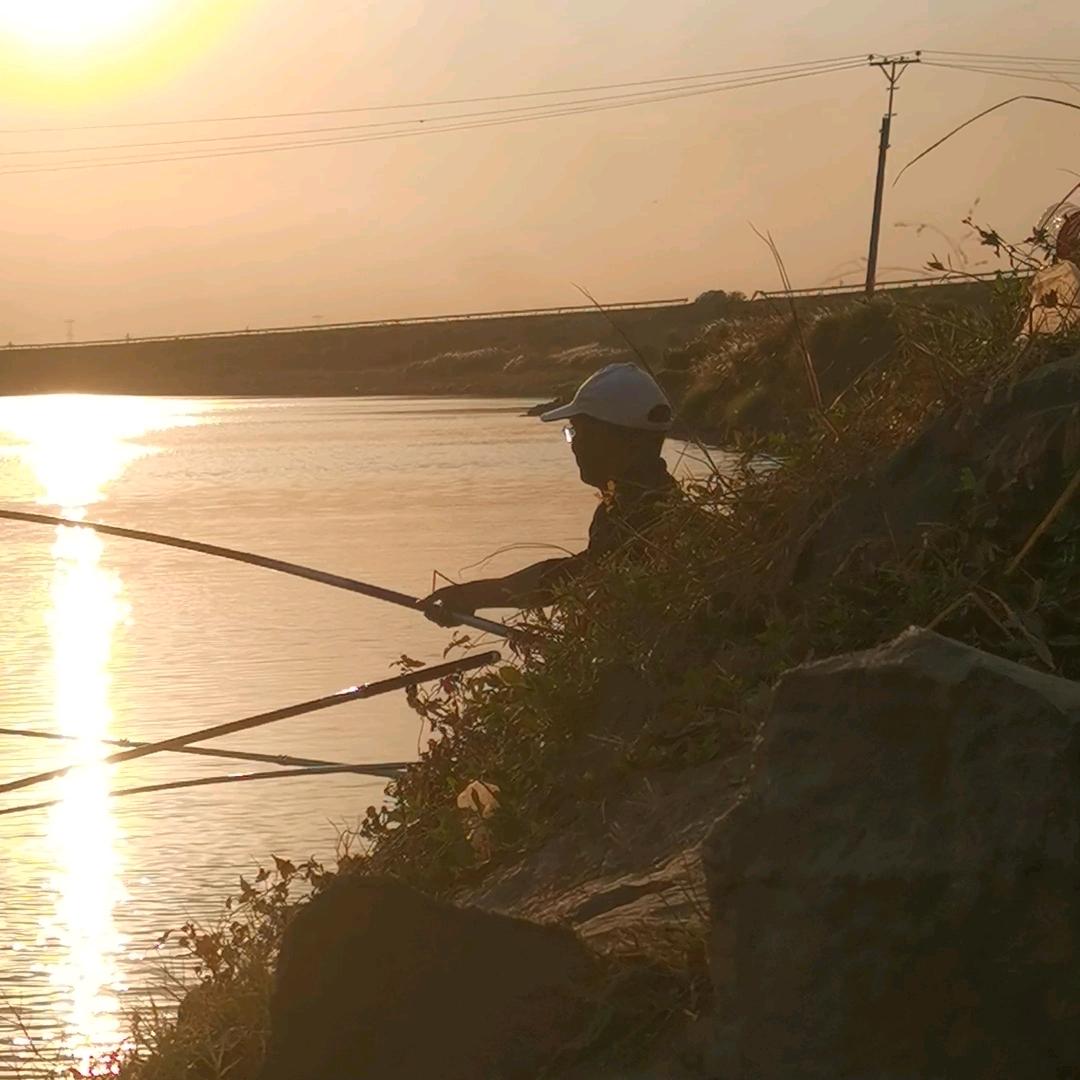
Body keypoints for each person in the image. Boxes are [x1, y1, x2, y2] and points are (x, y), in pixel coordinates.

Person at [422, 362, 676, 625]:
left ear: (628, 441)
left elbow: (581, 574)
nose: (574, 444)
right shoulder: (627, 505)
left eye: (580, 432)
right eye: (571, 432)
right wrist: (473, 596)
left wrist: (474, 595)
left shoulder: (649, 515)